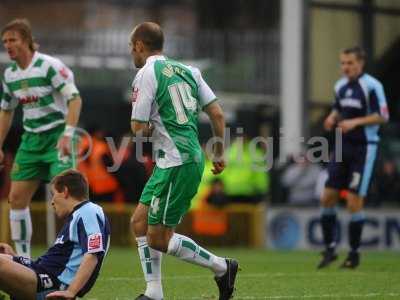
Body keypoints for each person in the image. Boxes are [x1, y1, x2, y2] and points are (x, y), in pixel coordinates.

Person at [129, 22, 238, 300]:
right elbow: (217, 115)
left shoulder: (146, 73)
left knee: (159, 238)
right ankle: (154, 292)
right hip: (177, 159)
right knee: (139, 222)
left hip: (177, 162)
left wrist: (150, 129)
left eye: (132, 47)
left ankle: (221, 267)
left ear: (140, 45)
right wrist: (220, 151)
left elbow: (138, 127)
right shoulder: (190, 71)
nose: (132, 52)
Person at [0, 18, 82, 258]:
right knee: (15, 198)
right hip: (31, 140)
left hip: (58, 136)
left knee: (67, 198)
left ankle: (75, 252)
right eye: (4, 41)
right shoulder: (10, 75)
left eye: (12, 40)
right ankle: (24, 260)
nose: (8, 45)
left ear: (26, 40)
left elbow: (75, 99)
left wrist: (68, 134)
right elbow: (6, 110)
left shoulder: (49, 66)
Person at [318, 46, 389, 269]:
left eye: (350, 63)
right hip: (342, 147)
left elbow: (383, 116)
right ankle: (330, 249)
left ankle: (354, 254)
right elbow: (339, 109)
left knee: (353, 201)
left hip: (363, 148)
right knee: (327, 197)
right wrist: (332, 117)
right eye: (343, 63)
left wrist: (355, 123)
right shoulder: (340, 86)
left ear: (361, 64)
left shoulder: (372, 86)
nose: (345, 67)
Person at [0, 169, 110, 300]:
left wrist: (71, 292)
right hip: (42, 275)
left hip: (52, 285)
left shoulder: (88, 211)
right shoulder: (77, 216)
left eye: (53, 194)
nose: (52, 202)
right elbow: (53, 263)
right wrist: (15, 258)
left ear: (65, 191)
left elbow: (93, 254)